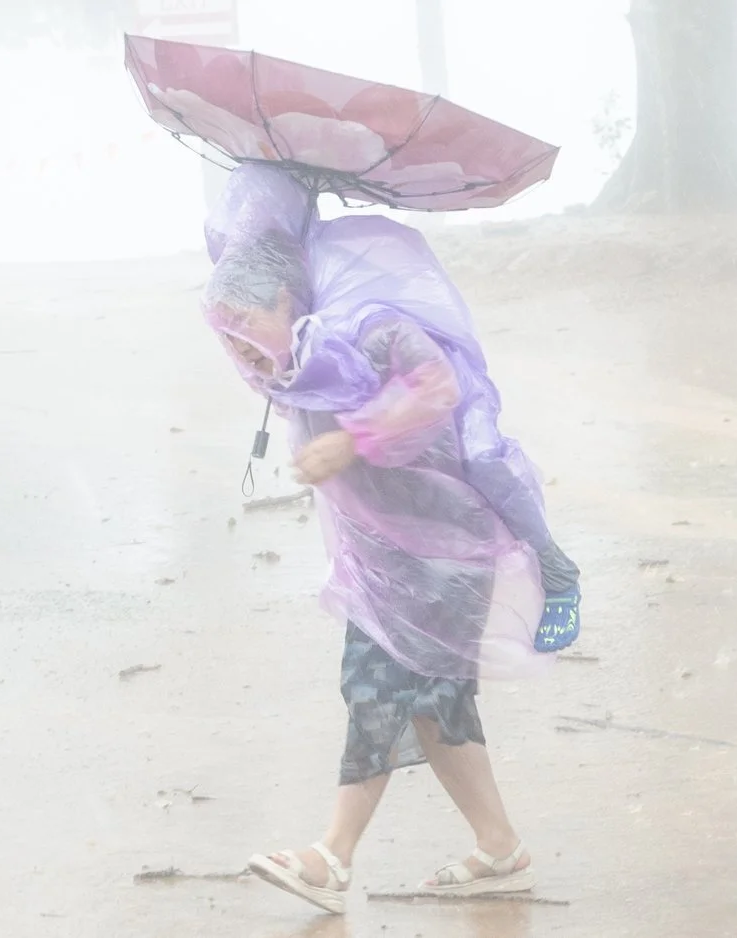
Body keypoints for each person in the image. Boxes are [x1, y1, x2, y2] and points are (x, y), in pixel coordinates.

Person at [202, 164, 563, 914]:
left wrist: (353, 439)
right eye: (226, 338)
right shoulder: (296, 358)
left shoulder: (370, 323)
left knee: (379, 688)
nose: (241, 352)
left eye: (246, 328)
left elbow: (436, 389)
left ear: (283, 296)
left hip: (443, 543)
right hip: (382, 553)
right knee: (434, 703)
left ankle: (330, 858)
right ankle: (501, 846)